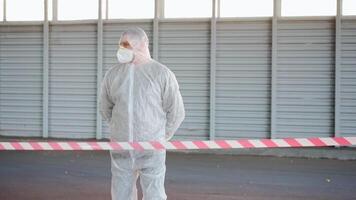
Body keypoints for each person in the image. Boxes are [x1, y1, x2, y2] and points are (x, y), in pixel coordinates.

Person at [99, 27, 185, 200]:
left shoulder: (162, 74)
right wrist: (120, 129)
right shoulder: (113, 74)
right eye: (121, 45)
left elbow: (176, 112)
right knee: (121, 195)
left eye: (127, 45)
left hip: (151, 150)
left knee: (155, 195)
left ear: (144, 44)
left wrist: (161, 137)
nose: (122, 49)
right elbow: (105, 108)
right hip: (121, 149)